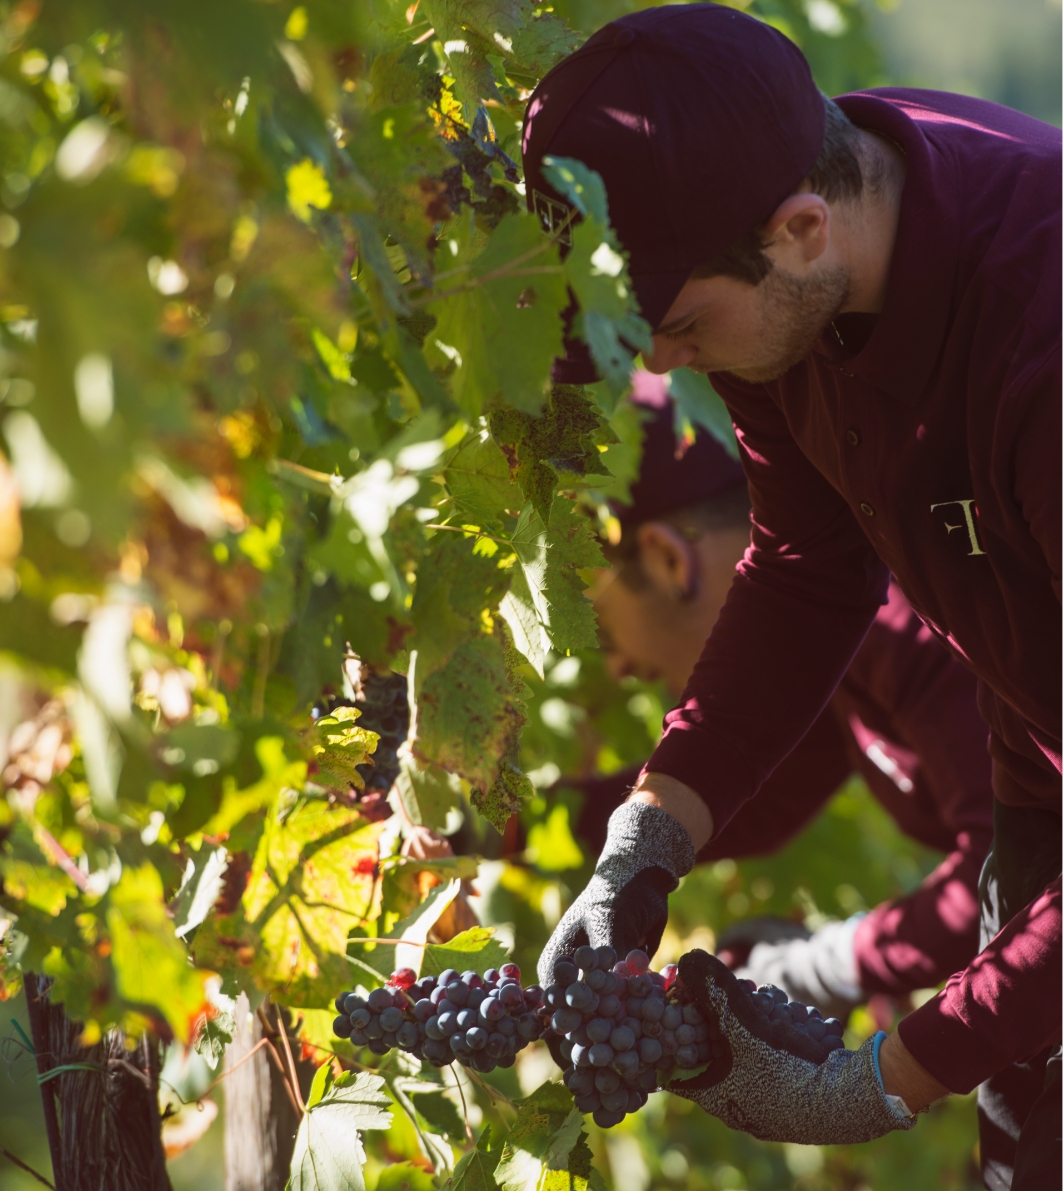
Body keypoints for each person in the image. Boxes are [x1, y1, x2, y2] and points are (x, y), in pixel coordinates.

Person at [522, 5, 1060, 1185]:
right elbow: (810, 565)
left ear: (803, 228)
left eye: (676, 325)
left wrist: (884, 1078)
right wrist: (643, 846)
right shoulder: (789, 289)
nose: (659, 364)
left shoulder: (1042, 341)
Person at [576, 370, 994, 1026]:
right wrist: (517, 824)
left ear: (664, 559)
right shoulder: (838, 647)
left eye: (600, 630)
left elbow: (1026, 860)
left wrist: (829, 963)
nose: (620, 667)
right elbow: (756, 790)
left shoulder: (895, 617)